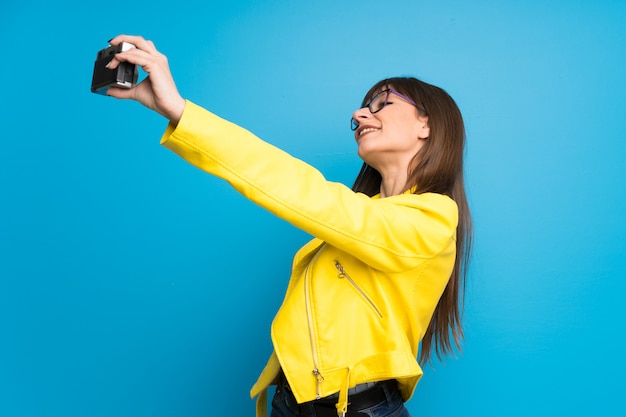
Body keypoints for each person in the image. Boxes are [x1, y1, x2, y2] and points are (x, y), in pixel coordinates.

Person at [105, 34, 472, 417]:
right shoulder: (361, 215)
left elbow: (306, 192)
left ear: (426, 125)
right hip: (291, 403)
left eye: (382, 103)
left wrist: (180, 111)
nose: (361, 115)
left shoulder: (434, 217)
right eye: (362, 109)